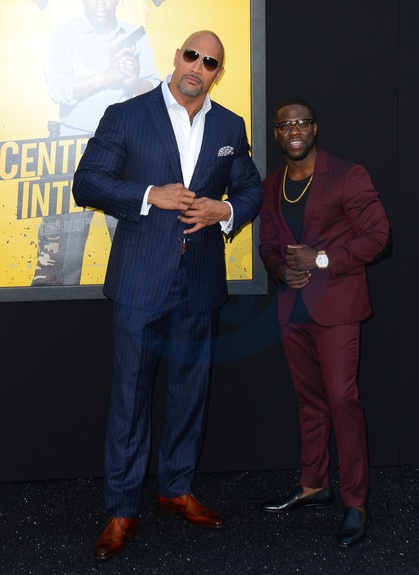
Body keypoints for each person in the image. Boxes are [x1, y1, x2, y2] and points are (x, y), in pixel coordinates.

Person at [72, 30, 263, 560]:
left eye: (210, 62)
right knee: (129, 399)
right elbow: (87, 182)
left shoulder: (229, 126)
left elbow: (250, 188)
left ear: (218, 72)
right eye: (192, 55)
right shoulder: (126, 115)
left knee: (189, 394)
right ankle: (121, 508)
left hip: (199, 281)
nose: (198, 67)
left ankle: (176, 488)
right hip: (140, 280)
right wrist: (148, 194)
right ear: (177, 57)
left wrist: (225, 211)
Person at [258, 98, 390, 547]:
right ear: (277, 134)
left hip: (337, 307)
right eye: (285, 125)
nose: (293, 130)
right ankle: (314, 484)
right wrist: (281, 271)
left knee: (342, 400)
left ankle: (356, 502)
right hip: (292, 309)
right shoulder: (271, 185)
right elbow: (268, 247)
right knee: (310, 401)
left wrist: (321, 260)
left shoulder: (348, 176)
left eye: (301, 123)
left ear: (314, 128)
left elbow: (379, 237)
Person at [32, 0, 161, 286]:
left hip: (125, 150)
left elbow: (154, 89)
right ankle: (60, 310)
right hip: (74, 148)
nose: (101, 2)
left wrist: (133, 81)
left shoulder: (134, 34)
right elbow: (58, 89)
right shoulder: (65, 32)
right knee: (65, 252)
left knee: (132, 243)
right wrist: (110, 76)